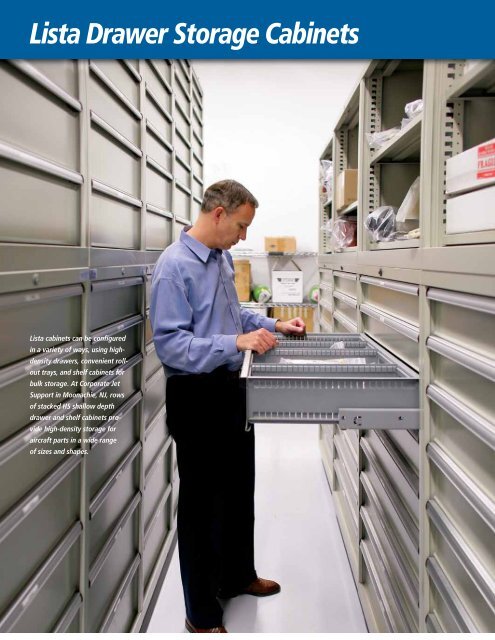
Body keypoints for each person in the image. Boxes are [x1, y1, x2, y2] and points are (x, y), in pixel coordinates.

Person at [150, 179, 306, 633]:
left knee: (239, 491)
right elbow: (172, 347)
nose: (243, 237)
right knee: (200, 508)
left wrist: (274, 323)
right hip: (196, 397)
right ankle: (200, 613)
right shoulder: (173, 268)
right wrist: (234, 342)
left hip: (231, 388)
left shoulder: (220, 259)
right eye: (240, 226)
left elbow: (235, 316)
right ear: (218, 213)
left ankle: (238, 576)